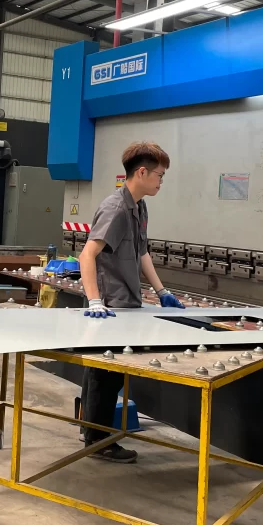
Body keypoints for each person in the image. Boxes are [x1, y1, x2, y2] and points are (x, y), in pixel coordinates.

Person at [77, 141, 184, 463]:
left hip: (127, 303)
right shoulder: (116, 209)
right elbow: (87, 255)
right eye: (159, 175)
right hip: (108, 307)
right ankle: (97, 441)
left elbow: (141, 252)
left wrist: (162, 290)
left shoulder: (138, 206)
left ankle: (92, 431)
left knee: (109, 372)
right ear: (142, 172)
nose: (161, 182)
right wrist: (95, 301)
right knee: (104, 373)